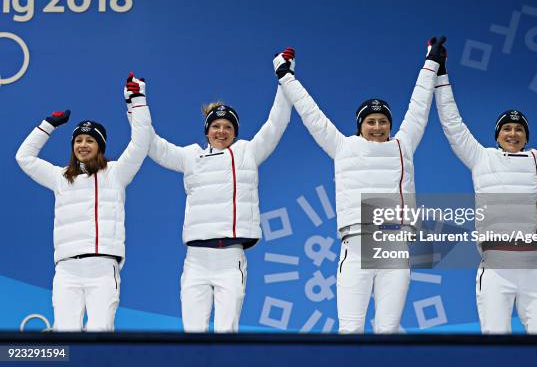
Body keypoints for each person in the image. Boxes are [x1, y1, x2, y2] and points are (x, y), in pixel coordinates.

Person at [274, 38, 446, 333]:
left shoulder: (403, 146)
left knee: (388, 331)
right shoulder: (342, 146)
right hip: (356, 246)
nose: (377, 127)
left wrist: (431, 63)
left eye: (382, 121)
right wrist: (286, 75)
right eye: (371, 121)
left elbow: (419, 107)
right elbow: (310, 114)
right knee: (350, 331)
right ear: (360, 125)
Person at [142, 53, 292, 333]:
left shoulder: (248, 152)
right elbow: (152, 146)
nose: (221, 131)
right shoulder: (191, 157)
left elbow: (277, 123)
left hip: (230, 259)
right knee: (192, 335)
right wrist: (138, 105)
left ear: (235, 132)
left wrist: (284, 78)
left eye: (227, 127)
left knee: (227, 335)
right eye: (215, 126)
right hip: (196, 259)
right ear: (207, 131)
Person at [434, 53, 537, 333]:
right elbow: (453, 125)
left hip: (536, 271)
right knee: (496, 350)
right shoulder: (481, 158)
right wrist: (441, 76)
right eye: (506, 128)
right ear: (497, 135)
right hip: (495, 271)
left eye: (518, 129)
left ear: (526, 137)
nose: (512, 133)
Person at [15, 73, 152, 331]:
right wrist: (47, 125)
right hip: (67, 270)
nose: (83, 145)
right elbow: (24, 158)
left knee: (100, 335)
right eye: (78, 140)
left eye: (90, 140)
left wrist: (138, 101)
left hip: (102, 268)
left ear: (100, 146)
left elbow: (141, 142)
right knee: (65, 336)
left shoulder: (116, 173)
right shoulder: (60, 177)